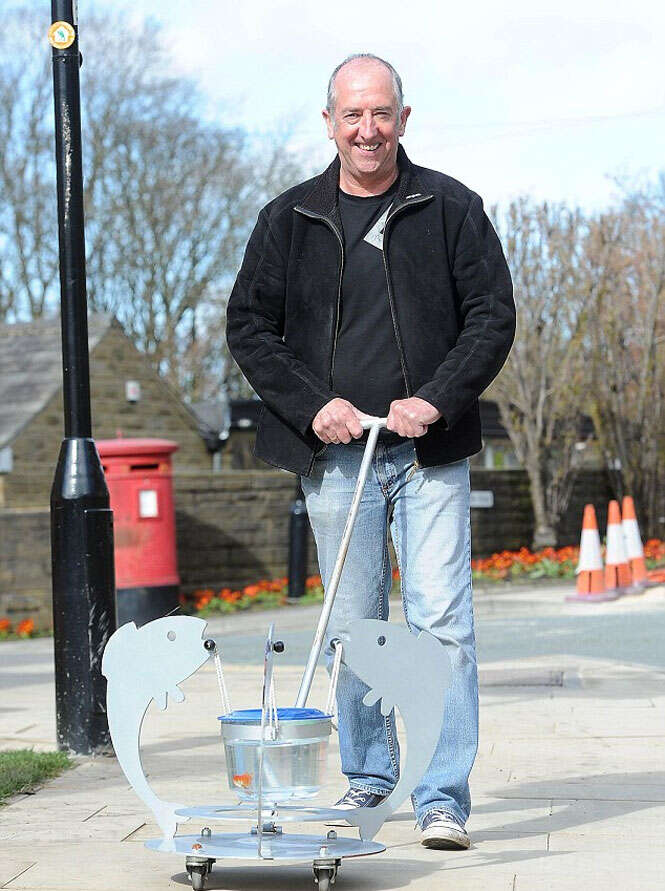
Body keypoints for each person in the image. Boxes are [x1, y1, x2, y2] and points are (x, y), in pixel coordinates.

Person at [227, 53, 515, 849]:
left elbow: (491, 315)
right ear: (328, 122)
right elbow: (248, 327)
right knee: (354, 626)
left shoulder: (451, 208)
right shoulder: (287, 219)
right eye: (351, 114)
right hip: (335, 458)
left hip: (427, 454)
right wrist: (311, 405)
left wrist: (436, 398)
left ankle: (440, 793)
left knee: (442, 625)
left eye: (380, 113)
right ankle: (368, 777)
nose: (367, 129)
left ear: (403, 118)